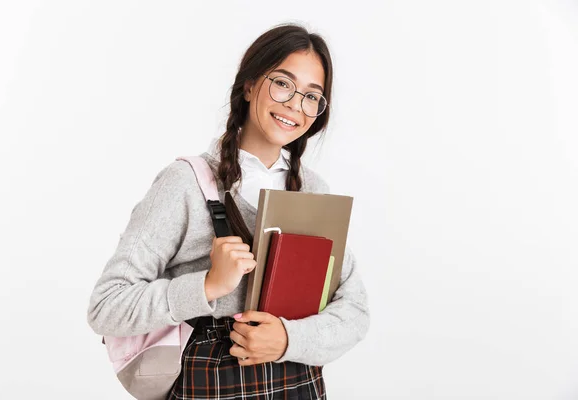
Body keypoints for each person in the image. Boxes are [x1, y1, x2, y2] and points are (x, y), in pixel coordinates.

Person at [87, 23, 370, 400]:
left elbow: (354, 311)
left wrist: (287, 339)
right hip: (214, 387)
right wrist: (206, 286)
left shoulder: (313, 190)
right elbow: (106, 306)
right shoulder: (185, 183)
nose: (294, 105)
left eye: (311, 96)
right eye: (283, 83)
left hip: (298, 385)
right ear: (250, 84)